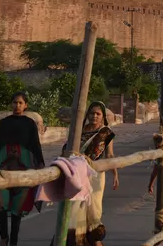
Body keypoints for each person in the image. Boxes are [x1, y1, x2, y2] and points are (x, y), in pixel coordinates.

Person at [0, 92, 45, 246]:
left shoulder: (30, 123)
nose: (17, 106)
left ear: (26, 105)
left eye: (20, 103)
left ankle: (14, 241)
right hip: (3, 164)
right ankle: (3, 237)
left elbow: (35, 144)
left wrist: (40, 164)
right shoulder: (4, 122)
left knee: (18, 205)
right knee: (0, 202)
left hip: (23, 166)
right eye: (14, 102)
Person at [66, 101, 119, 246]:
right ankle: (76, 240)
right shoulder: (80, 131)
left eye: (98, 114)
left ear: (102, 116)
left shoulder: (106, 133)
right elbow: (69, 150)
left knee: (94, 211)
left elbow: (110, 155)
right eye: (91, 113)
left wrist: (115, 174)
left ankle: (95, 241)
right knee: (75, 209)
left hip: (96, 176)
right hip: (78, 175)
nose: (94, 116)